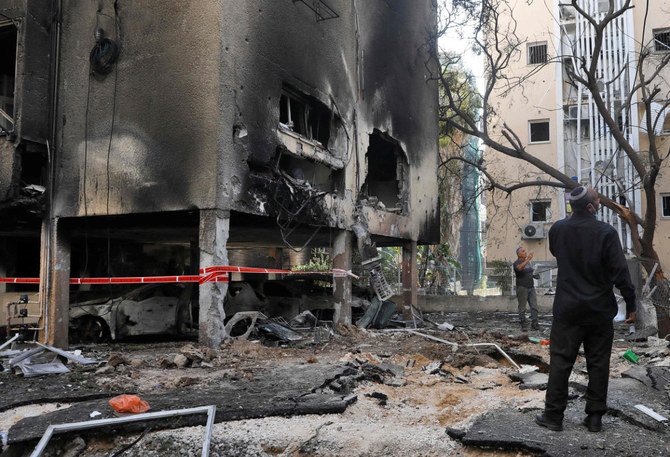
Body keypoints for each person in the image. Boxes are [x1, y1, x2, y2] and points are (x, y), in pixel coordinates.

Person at [535, 186, 636, 433]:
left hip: (567, 310)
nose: (600, 201)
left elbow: (558, 252)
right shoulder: (606, 233)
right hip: (599, 311)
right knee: (598, 363)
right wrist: (631, 303)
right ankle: (594, 419)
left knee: (560, 361)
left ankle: (553, 416)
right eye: (598, 199)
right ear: (592, 207)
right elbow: (620, 272)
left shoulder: (558, 229)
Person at [513, 246, 539, 331]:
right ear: (519, 254)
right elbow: (520, 269)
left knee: (534, 306)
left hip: (531, 287)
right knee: (522, 307)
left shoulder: (528, 263)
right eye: (523, 251)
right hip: (522, 287)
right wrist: (528, 259)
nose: (525, 252)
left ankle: (534, 323)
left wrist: (534, 275)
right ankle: (523, 322)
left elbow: (529, 271)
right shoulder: (516, 263)